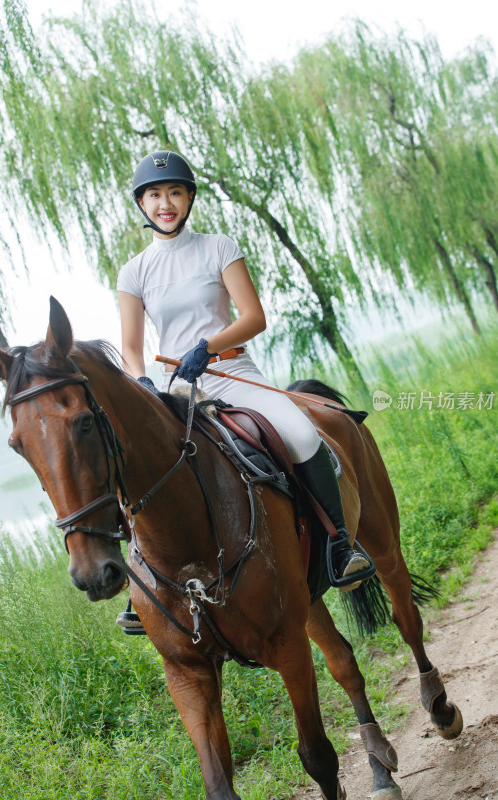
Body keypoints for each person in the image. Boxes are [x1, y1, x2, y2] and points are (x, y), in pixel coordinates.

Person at [117, 150, 370, 596]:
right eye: (154, 194)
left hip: (232, 370)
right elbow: (132, 349)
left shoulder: (218, 247)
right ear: (142, 203)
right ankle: (147, 591)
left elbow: (253, 316)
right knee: (142, 467)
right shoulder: (134, 271)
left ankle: (340, 547)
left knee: (303, 434)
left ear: (189, 197)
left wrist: (206, 347)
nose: (165, 203)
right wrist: (140, 382)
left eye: (175, 192)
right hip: (177, 389)